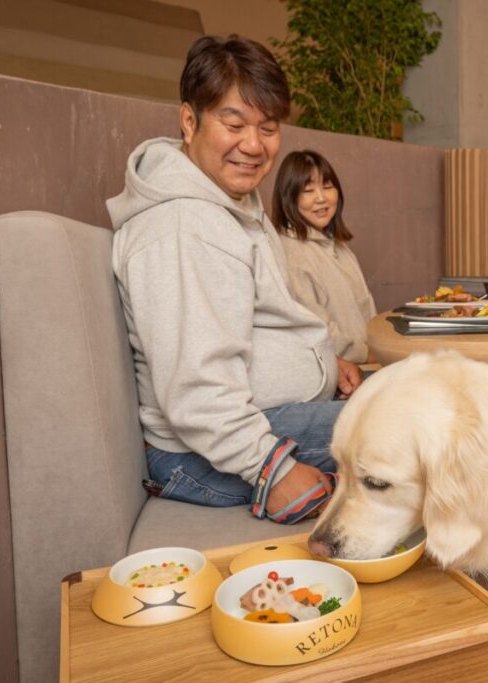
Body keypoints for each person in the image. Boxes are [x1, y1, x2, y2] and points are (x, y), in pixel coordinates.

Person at [107, 35, 364, 523]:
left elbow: (252, 319)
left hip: (253, 424)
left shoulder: (230, 205)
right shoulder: (183, 227)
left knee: (424, 398)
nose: (253, 145)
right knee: (428, 426)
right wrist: (274, 469)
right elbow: (197, 392)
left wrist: (323, 363)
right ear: (189, 122)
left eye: (268, 128)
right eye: (234, 124)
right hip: (210, 453)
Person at [272, 150, 377, 364]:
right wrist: (366, 354)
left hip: (368, 364)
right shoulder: (291, 254)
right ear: (289, 198)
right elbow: (315, 328)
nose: (321, 198)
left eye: (327, 187)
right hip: (338, 373)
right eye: (308, 190)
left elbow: (366, 311)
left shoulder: (340, 247)